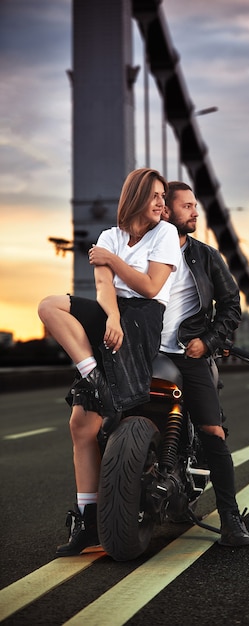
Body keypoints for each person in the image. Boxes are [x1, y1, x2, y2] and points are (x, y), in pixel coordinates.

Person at [38, 167, 180, 556]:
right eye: (154, 195)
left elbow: (151, 286)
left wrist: (113, 262)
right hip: (114, 314)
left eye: (164, 198)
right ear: (135, 196)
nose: (161, 203)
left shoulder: (164, 234)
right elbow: (104, 290)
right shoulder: (109, 237)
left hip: (144, 317)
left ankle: (97, 381)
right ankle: (87, 524)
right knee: (81, 423)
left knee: (85, 420)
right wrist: (111, 318)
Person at [160, 181, 249, 547]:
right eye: (186, 206)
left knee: (213, 432)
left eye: (195, 205)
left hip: (189, 353)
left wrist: (208, 341)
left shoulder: (207, 256)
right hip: (147, 354)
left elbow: (231, 306)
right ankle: (93, 513)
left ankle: (230, 517)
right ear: (164, 211)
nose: (195, 212)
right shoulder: (141, 252)